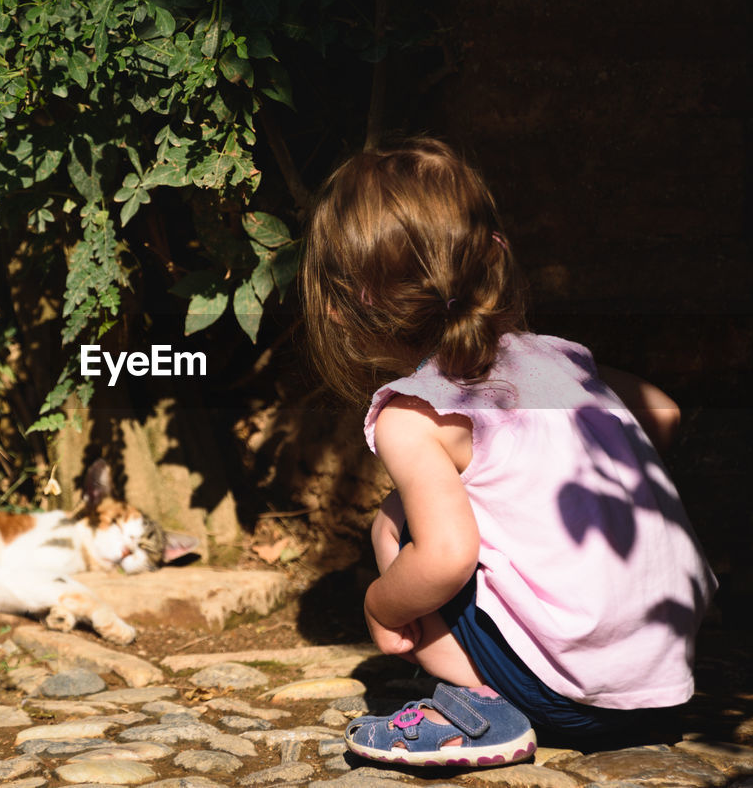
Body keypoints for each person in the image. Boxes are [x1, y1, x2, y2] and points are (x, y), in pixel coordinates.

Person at [300, 137, 717, 767]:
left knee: (398, 521)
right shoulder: (560, 359)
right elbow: (664, 410)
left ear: (346, 304)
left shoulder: (411, 413)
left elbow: (446, 557)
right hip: (668, 682)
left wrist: (378, 605)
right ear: (492, 258)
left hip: (564, 698)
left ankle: (478, 705)